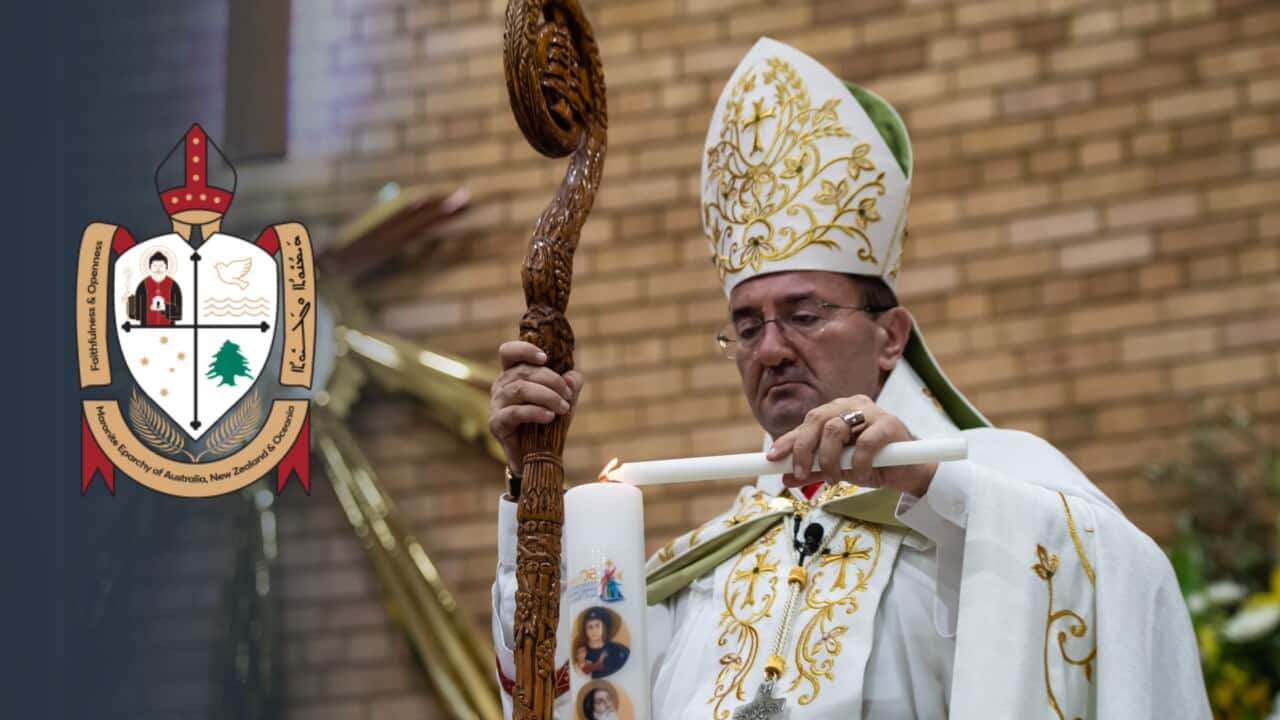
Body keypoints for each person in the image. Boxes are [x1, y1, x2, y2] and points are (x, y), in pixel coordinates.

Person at [489, 37, 1210, 719]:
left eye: (803, 313)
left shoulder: (988, 493)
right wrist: (535, 489)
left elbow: (1124, 590)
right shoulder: (701, 569)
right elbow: (566, 693)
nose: (769, 348)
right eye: (747, 325)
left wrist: (929, 487)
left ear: (890, 336)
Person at [127, 251, 182, 326]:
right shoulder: (142, 286)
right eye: (155, 266)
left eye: (161, 266)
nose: (158, 269)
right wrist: (131, 305)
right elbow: (137, 315)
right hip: (146, 328)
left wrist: (165, 307)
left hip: (169, 329)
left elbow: (178, 314)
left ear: (166, 268)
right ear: (149, 268)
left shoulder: (174, 286)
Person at [573, 607, 630, 679]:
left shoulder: (617, 650)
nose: (594, 630)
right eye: (590, 627)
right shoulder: (581, 653)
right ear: (585, 630)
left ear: (604, 628)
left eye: (597, 626)